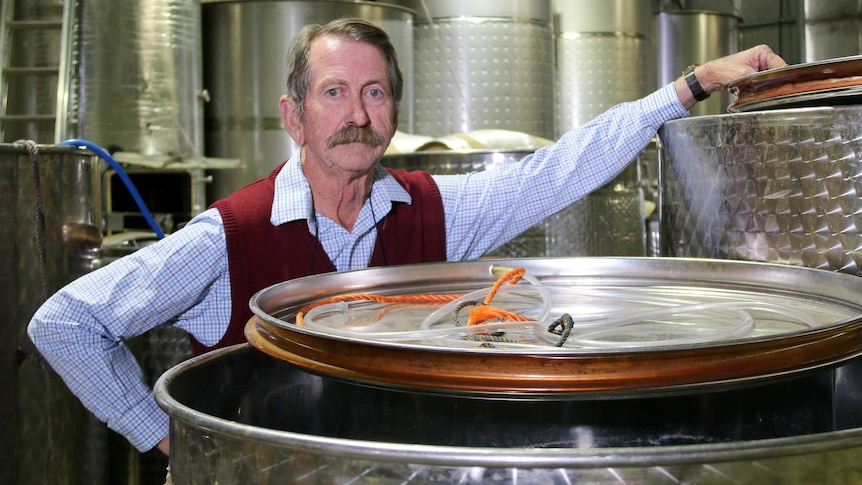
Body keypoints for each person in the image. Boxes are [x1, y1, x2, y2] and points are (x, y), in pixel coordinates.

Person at [27, 17, 786, 456]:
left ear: (392, 109)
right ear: (294, 117)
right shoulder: (228, 235)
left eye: (374, 92)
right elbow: (65, 321)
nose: (356, 113)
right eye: (333, 93)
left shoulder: (435, 208)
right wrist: (168, 439)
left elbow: (560, 171)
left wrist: (688, 87)